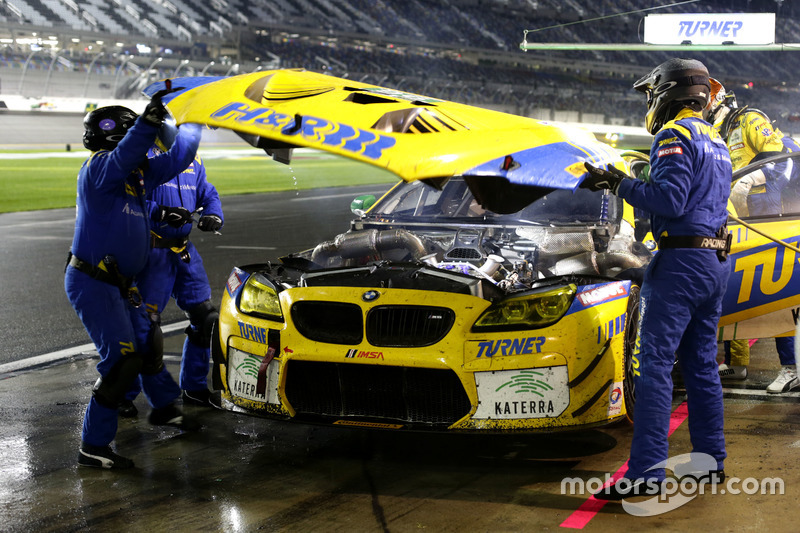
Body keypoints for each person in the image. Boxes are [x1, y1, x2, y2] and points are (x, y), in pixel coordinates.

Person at [580, 58, 732, 499]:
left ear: (669, 93)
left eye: (652, 93)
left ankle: (645, 474)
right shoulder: (716, 138)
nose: (650, 102)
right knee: (703, 366)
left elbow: (668, 199)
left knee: (652, 369)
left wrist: (618, 183)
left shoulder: (674, 134)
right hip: (713, 265)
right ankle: (710, 462)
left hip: (682, 265)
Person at [65, 96, 203, 469]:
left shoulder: (134, 176)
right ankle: (93, 446)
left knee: (147, 340)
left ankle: (164, 407)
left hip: (118, 283)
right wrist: (148, 122)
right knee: (122, 361)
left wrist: (195, 121)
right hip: (94, 281)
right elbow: (127, 153)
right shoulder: (100, 168)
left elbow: (180, 157)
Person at [119, 123, 224, 416]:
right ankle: (121, 394)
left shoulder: (194, 157)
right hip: (152, 252)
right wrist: (162, 212)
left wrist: (214, 214)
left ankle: (194, 387)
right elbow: (127, 197)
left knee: (205, 317)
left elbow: (208, 192)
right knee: (146, 326)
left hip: (185, 251)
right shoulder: (141, 155)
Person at [705, 78, 800, 394]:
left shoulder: (749, 118)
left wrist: (751, 179)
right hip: (741, 218)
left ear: (719, 101)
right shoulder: (720, 133)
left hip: (769, 217)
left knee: (776, 292)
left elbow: (783, 153)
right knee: (738, 289)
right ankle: (737, 363)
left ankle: (792, 367)